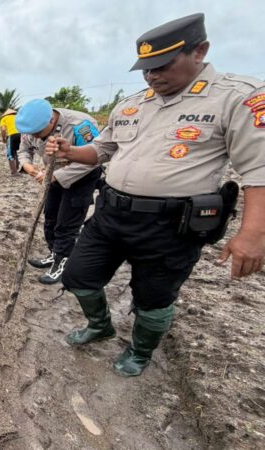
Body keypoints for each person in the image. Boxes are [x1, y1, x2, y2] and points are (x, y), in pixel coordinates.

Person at [46, 13, 265, 377]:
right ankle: (100, 325)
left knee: (153, 298)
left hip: (171, 226)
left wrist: (254, 234)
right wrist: (71, 152)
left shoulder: (237, 97)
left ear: (200, 51)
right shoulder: (132, 104)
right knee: (78, 276)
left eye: (162, 66)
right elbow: (100, 150)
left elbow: (259, 170)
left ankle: (140, 350)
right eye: (146, 69)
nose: (152, 76)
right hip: (111, 214)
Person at [15, 99, 102, 284]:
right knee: (51, 217)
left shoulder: (80, 125)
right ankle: (54, 253)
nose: (34, 137)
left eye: (38, 133)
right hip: (52, 174)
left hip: (80, 177)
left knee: (67, 223)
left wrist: (57, 175)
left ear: (51, 121)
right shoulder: (30, 127)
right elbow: (23, 150)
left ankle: (62, 262)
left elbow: (95, 158)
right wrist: (28, 166)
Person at [0, 109, 21, 175]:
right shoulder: (17, 117)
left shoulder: (4, 118)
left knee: (11, 153)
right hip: (21, 134)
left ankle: (14, 172)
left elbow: (3, 130)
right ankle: (17, 168)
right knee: (16, 151)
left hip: (12, 135)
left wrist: (3, 139)